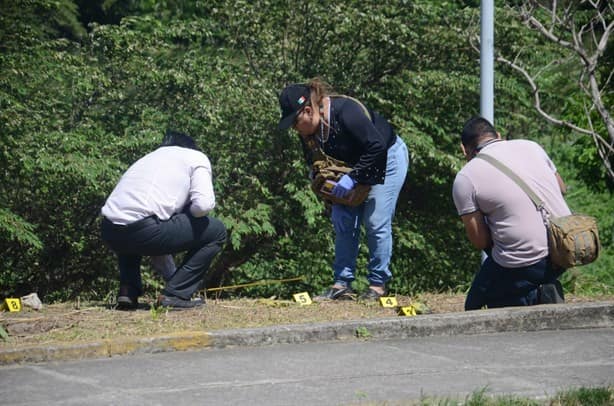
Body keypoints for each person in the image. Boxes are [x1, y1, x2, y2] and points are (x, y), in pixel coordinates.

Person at [277, 78, 409, 301]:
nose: (294, 129)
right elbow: (317, 168)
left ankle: (377, 285)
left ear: (308, 111)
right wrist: (333, 202)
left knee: (375, 221)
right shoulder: (309, 134)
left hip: (386, 157)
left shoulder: (346, 112)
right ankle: (342, 284)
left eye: (294, 122)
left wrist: (353, 179)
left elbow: (376, 147)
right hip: (352, 168)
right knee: (344, 222)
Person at [452, 116, 571, 310]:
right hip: (566, 247)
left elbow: (480, 241)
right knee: (514, 278)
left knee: (475, 303)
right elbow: (562, 188)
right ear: (498, 136)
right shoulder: (532, 147)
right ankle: (542, 291)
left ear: (464, 150)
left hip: (526, 260)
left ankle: (536, 296)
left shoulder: (466, 177)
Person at [101, 130, 227, 309]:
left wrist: (172, 278)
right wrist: (188, 213)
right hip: (144, 231)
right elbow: (204, 205)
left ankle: (127, 292)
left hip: (109, 231)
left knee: (127, 220)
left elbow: (154, 247)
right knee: (217, 230)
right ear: (191, 147)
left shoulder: (148, 159)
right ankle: (176, 296)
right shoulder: (196, 157)